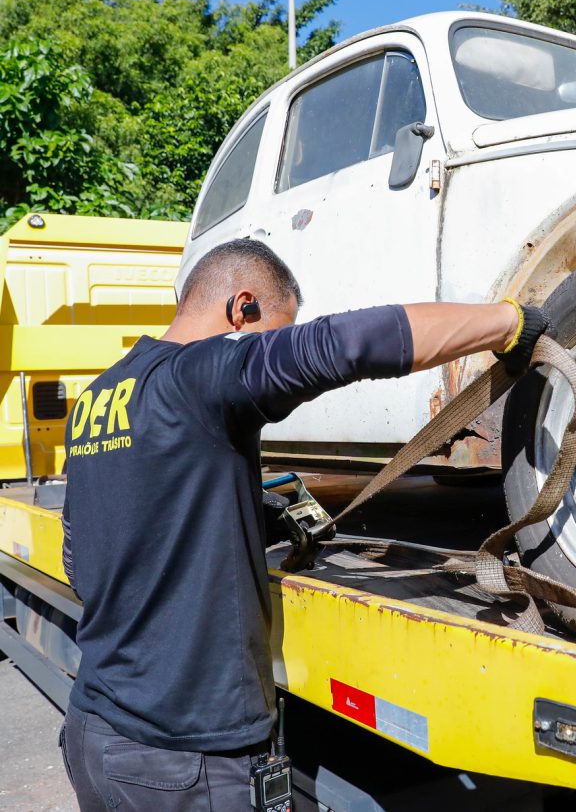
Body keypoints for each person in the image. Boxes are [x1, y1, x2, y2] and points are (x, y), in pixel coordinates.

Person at [58, 239, 548, 810]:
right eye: (271, 332)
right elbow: (345, 345)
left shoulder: (96, 400)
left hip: (96, 728)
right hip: (182, 761)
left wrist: (238, 522)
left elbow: (84, 557)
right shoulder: (202, 374)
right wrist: (509, 324)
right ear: (242, 309)